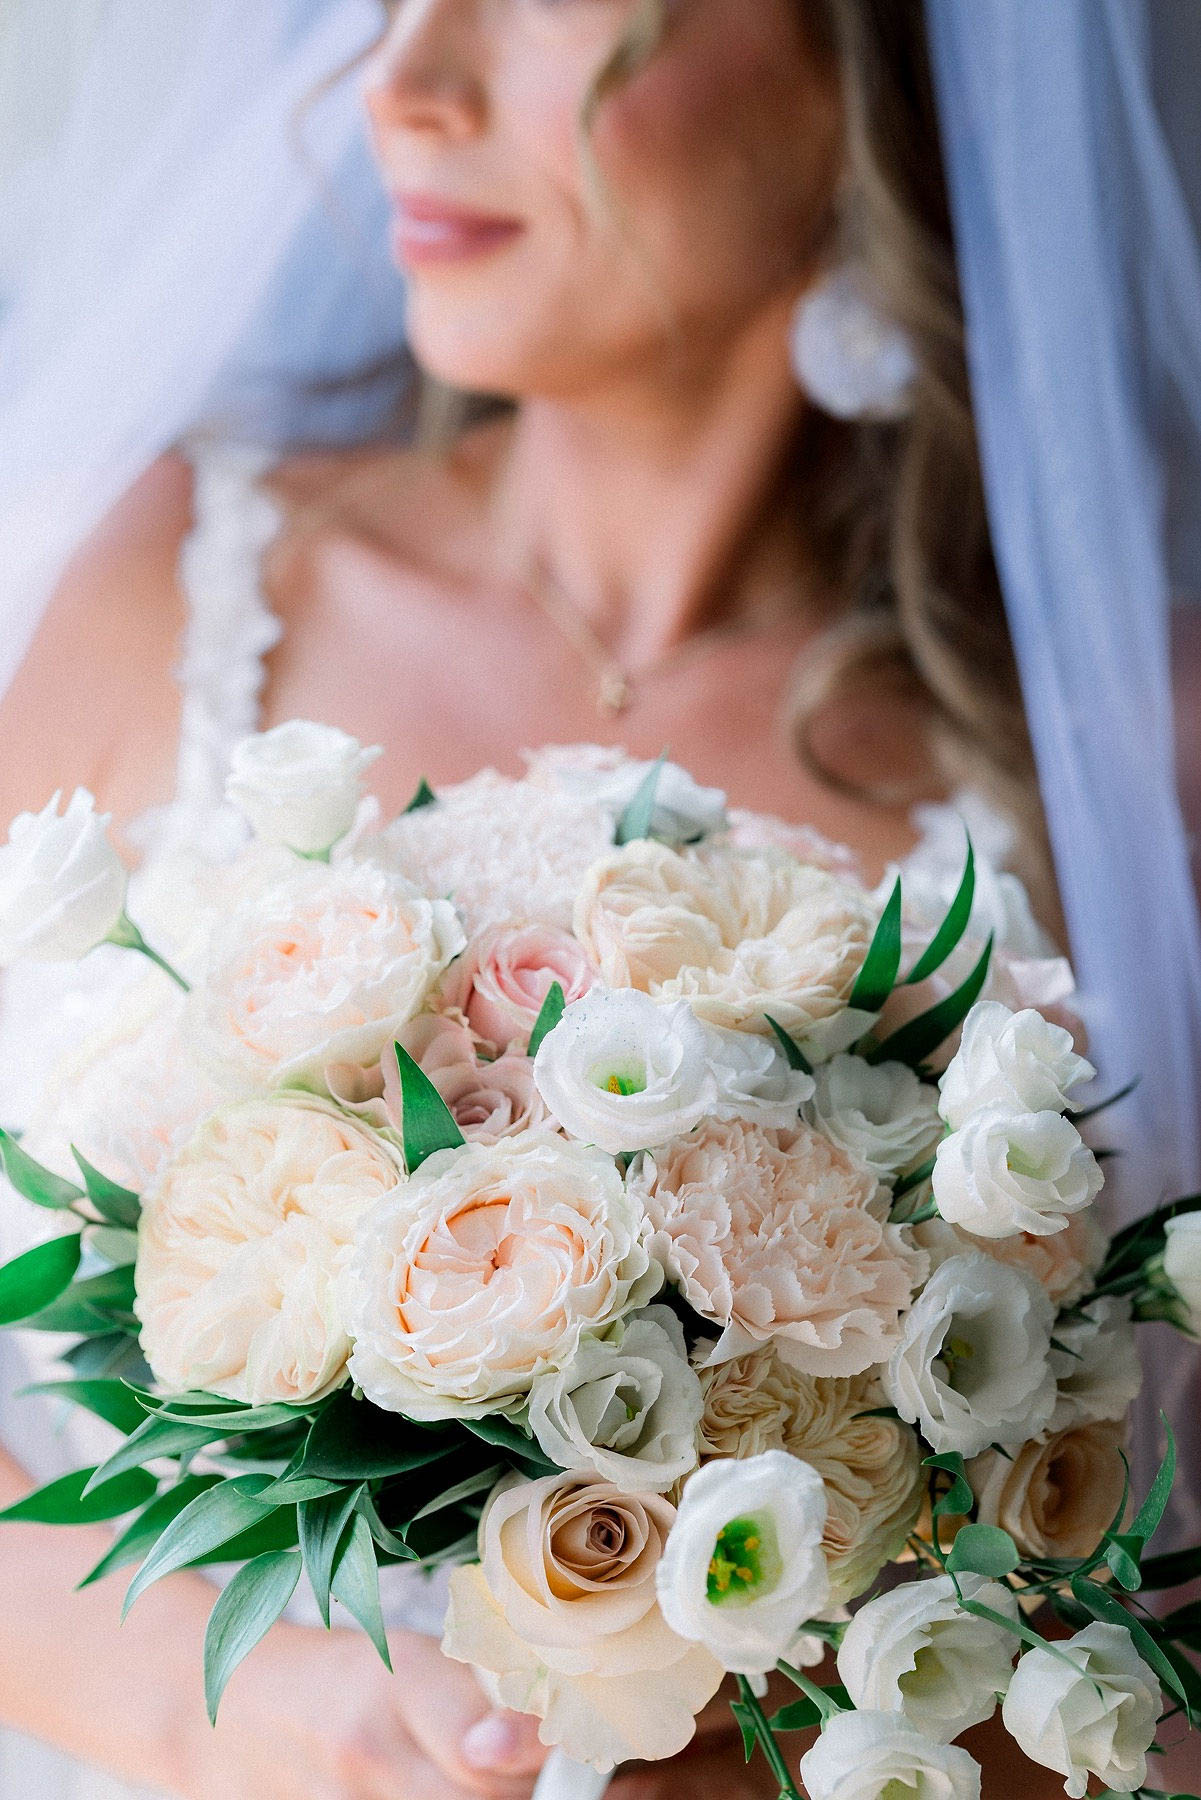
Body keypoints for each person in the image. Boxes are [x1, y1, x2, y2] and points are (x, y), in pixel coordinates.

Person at [0, 1, 1145, 1796]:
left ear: (870, 72)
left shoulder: (1125, 770)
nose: (402, 85)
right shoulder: (135, 584)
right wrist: (207, 1704)